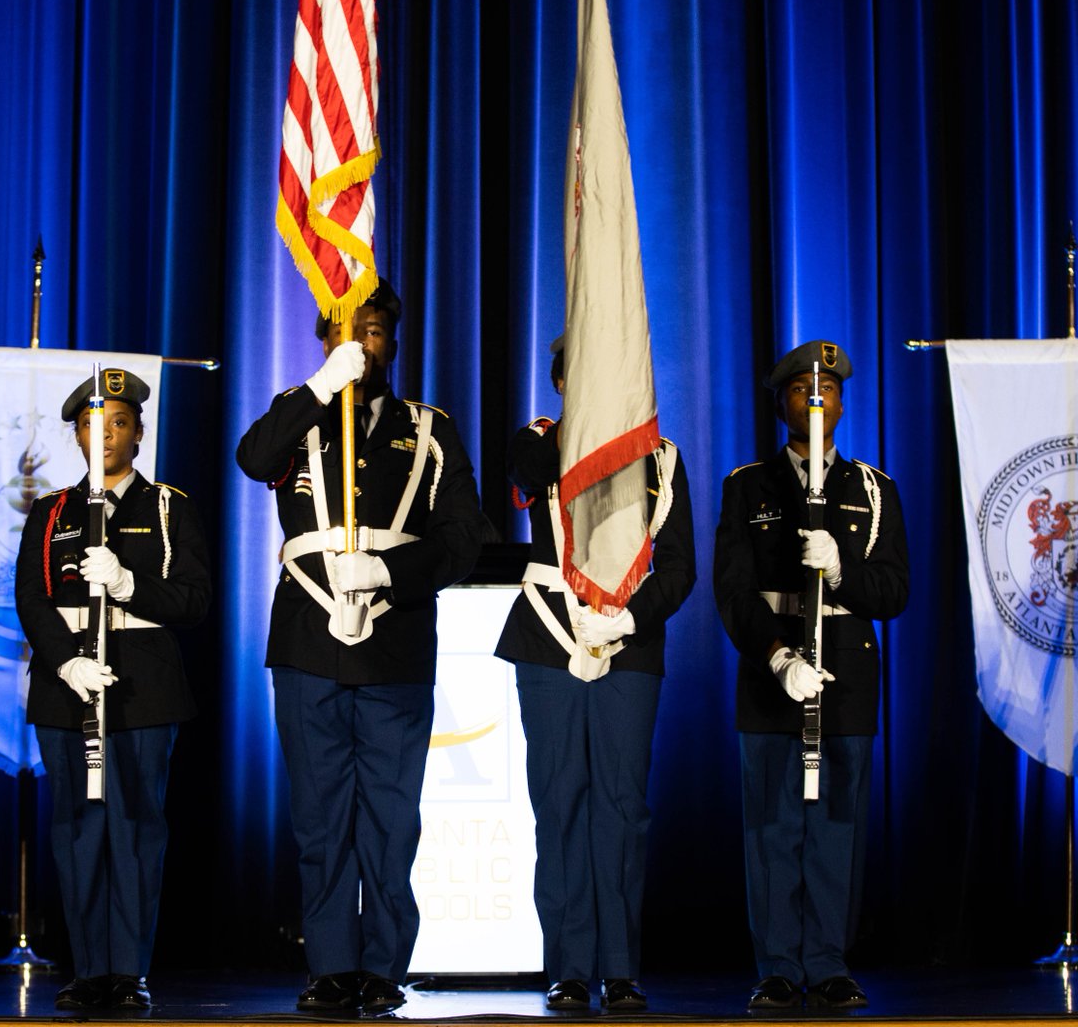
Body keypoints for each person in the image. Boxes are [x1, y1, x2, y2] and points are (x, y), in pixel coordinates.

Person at [235, 278, 486, 1015]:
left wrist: (388, 569)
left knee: (389, 817)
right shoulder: (300, 417)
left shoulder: (430, 429)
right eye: (348, 334)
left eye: (373, 333)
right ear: (325, 342)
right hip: (309, 640)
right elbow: (253, 458)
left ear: (393, 343)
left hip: (396, 643)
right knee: (319, 818)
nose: (362, 345)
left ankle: (381, 966)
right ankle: (330, 966)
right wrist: (320, 386)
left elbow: (464, 539)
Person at [494, 337, 696, 1012]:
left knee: (620, 806)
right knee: (560, 805)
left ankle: (619, 966)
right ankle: (569, 966)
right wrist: (586, 418)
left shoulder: (661, 460)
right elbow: (529, 475)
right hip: (549, 638)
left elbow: (679, 567)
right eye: (576, 372)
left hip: (627, 646)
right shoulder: (539, 439)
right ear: (557, 380)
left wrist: (629, 619)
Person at [713, 341, 909, 1011]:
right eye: (803, 389)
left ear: (844, 404)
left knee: (834, 828)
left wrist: (843, 570)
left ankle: (827, 961)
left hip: (846, 677)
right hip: (774, 673)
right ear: (781, 404)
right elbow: (734, 593)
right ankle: (775, 965)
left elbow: (894, 591)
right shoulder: (747, 486)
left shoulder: (874, 491)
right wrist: (778, 658)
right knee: (771, 828)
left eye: (828, 388)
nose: (817, 398)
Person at [15, 369, 212, 1011]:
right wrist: (68, 663)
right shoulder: (50, 515)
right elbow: (31, 598)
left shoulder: (167, 508)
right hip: (64, 688)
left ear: (139, 435)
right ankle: (88, 969)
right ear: (76, 435)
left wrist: (130, 584)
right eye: (91, 425)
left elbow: (193, 600)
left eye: (118, 423)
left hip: (143, 692)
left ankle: (128, 972)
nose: (104, 435)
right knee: (77, 829)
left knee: (134, 827)